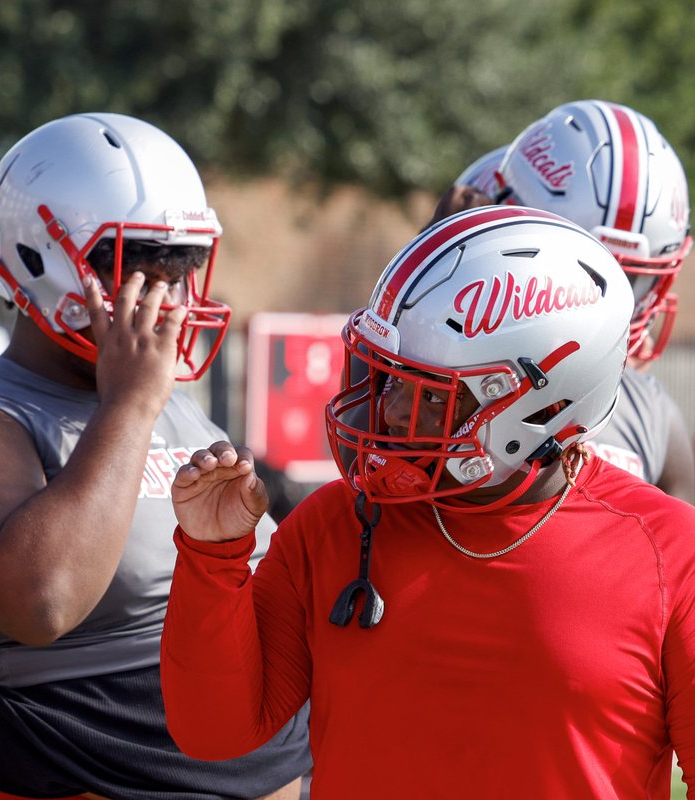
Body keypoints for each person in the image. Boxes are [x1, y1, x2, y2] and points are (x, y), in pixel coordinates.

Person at [161, 205, 695, 799]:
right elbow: (214, 732)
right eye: (391, 377)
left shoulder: (670, 552)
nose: (390, 412)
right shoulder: (336, 521)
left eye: (431, 395)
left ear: (542, 406)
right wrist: (214, 557)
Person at [0, 112, 311, 800]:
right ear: (39, 260)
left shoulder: (167, 400)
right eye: (140, 269)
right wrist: (129, 406)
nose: (168, 297)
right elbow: (40, 602)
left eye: (180, 268)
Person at [426, 100, 695, 503]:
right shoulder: (432, 391)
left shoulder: (652, 414)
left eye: (628, 279)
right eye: (584, 276)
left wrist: (431, 259)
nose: (604, 304)